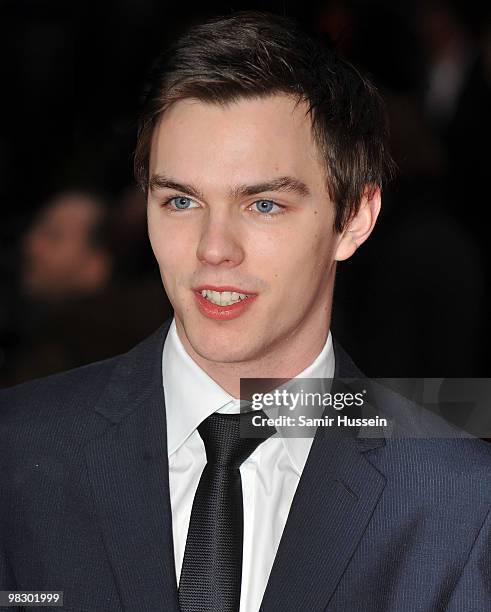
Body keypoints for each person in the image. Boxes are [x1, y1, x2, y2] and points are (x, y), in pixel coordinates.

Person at [1, 12, 490, 612]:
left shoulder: (459, 501)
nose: (213, 249)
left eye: (263, 204)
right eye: (180, 200)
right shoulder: (18, 450)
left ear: (354, 219)